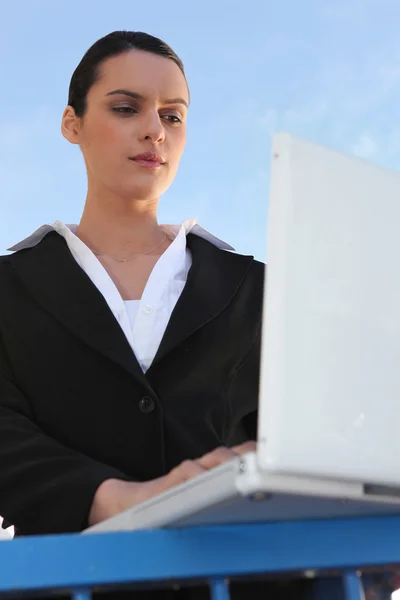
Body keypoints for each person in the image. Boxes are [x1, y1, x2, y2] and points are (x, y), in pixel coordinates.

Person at [0, 30, 317, 599]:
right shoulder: (7, 287)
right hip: (72, 585)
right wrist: (113, 497)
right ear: (72, 124)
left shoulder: (255, 287)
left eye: (173, 116)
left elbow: (309, 438)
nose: (154, 130)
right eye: (126, 108)